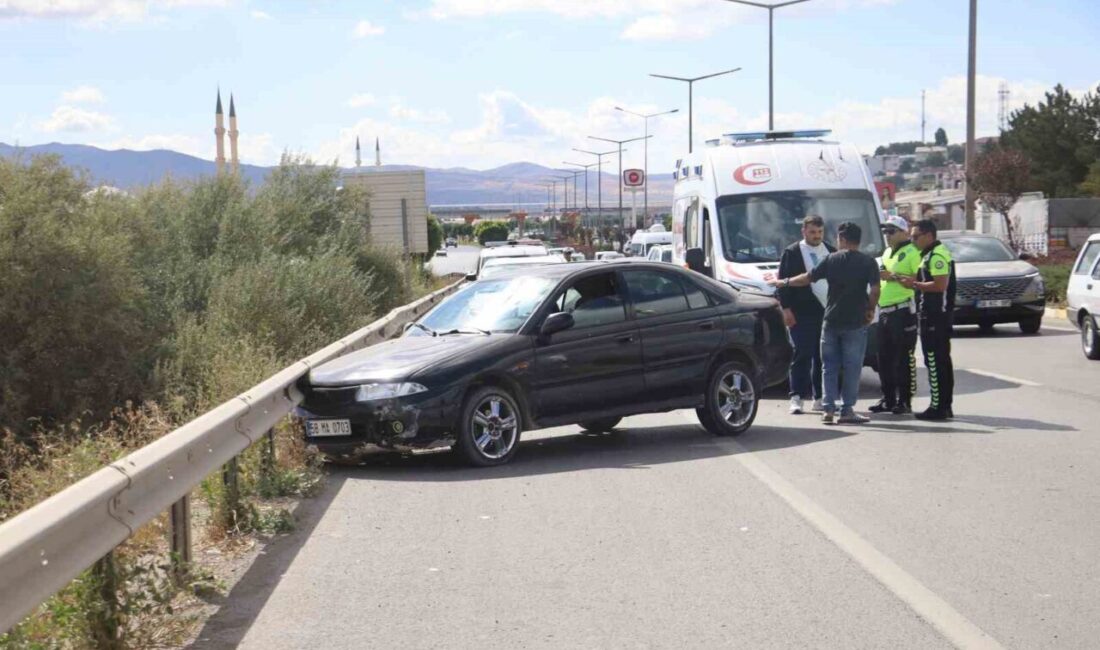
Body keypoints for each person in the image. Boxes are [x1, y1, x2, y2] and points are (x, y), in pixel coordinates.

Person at [770, 222, 880, 425]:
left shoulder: (831, 259)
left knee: (827, 366)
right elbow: (874, 290)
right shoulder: (868, 262)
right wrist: (870, 309)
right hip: (855, 322)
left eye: (838, 238)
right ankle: (846, 410)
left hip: (829, 321)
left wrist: (784, 282)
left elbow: (807, 278)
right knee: (852, 366)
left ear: (844, 240)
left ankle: (828, 410)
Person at [776, 215, 835, 415]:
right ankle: (797, 397)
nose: (816, 236)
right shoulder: (792, 252)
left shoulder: (831, 251)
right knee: (802, 353)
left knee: (823, 356)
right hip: (801, 313)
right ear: (804, 231)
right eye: (812, 232)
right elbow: (783, 282)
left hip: (827, 312)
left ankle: (819, 397)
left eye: (820, 232)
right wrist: (786, 309)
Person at [899, 219, 957, 420]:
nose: (912, 240)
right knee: (938, 360)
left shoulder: (937, 255)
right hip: (930, 315)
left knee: (935, 361)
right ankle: (943, 405)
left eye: (915, 236)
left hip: (935, 317)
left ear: (929, 236)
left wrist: (915, 284)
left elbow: (940, 285)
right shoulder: (928, 255)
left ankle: (939, 406)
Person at [869, 216, 921, 415]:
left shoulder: (912, 252)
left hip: (903, 310)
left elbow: (919, 278)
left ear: (903, 232)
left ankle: (905, 401)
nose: (887, 236)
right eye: (885, 232)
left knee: (903, 358)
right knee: (884, 358)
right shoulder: (888, 252)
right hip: (885, 311)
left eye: (891, 231)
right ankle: (888, 399)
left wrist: (893, 277)